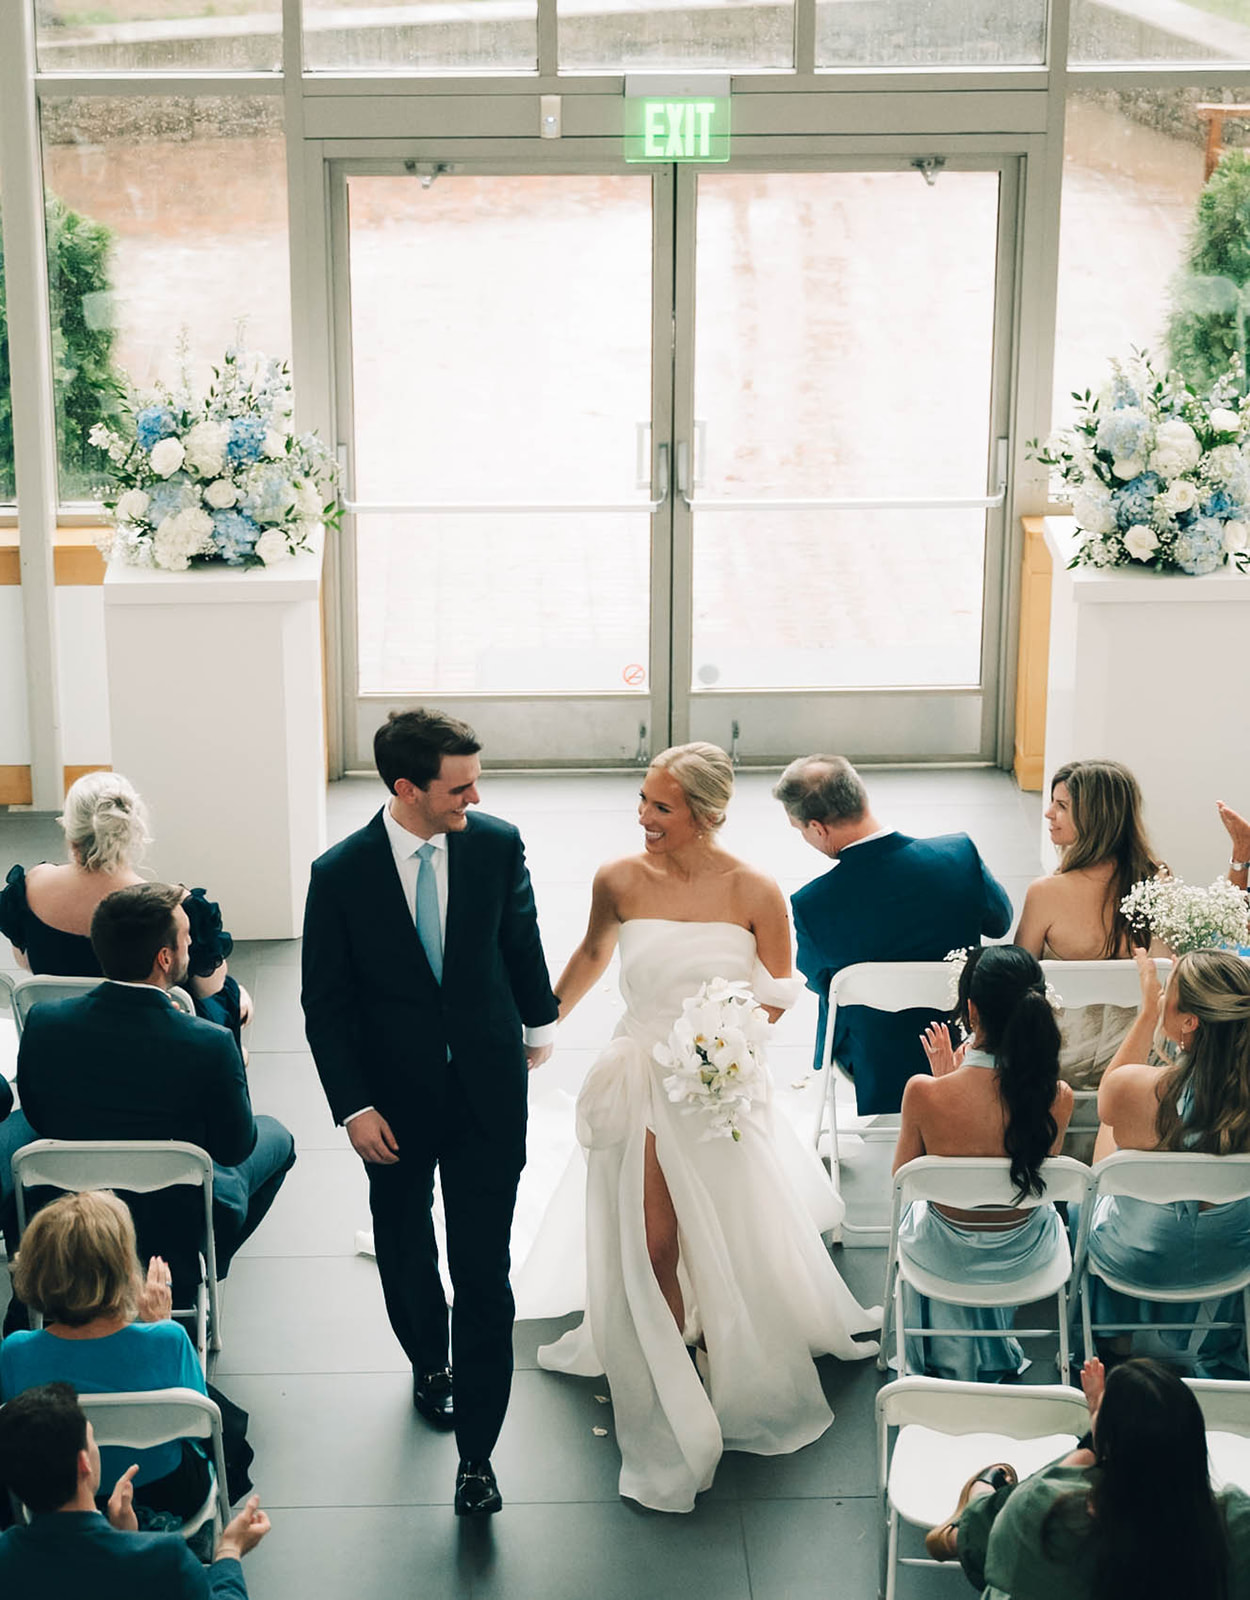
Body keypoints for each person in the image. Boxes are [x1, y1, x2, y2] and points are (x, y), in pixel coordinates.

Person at [536, 742, 881, 1514]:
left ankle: (724, 1332)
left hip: (718, 1079)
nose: (643, 816)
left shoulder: (757, 891)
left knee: (723, 1226)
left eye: (660, 805)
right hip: (642, 1074)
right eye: (643, 800)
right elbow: (592, 953)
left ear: (705, 812)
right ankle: (671, 1358)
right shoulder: (618, 880)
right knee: (656, 1236)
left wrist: (726, 1048)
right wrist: (539, 1026)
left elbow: (779, 993)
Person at [301, 709, 558, 1518]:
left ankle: (477, 1456)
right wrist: (353, 1106)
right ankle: (428, 1361)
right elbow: (325, 1003)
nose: (474, 796)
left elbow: (520, 936)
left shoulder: (495, 843)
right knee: (407, 1245)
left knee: (484, 1270)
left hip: (487, 1091)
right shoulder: (339, 874)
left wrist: (538, 1022)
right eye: (459, 785)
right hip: (394, 1106)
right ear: (406, 788)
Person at [13, 883, 295, 1289]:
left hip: (72, 1199)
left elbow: (39, 1117)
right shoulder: (209, 1043)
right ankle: (199, 1266)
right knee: (277, 1138)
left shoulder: (43, 1022)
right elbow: (234, 1147)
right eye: (186, 937)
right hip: (173, 1211)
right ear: (165, 958)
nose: (192, 942)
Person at [773, 754, 1014, 1115]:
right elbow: (1000, 922)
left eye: (801, 831)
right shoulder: (957, 855)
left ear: (818, 828)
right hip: (965, 1040)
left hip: (875, 1059)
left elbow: (822, 983)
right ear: (861, 796)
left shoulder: (814, 904)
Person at [891, 944, 1073, 1381]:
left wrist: (942, 1083)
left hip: (943, 1256)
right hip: (1023, 1253)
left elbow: (901, 1187)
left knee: (926, 1212)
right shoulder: (1057, 1096)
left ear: (972, 1011)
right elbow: (1034, 1180)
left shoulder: (925, 1093)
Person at [927, 1357, 1250, 1600]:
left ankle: (963, 1530)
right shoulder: (1239, 1523)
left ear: (1108, 1444)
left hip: (1037, 1538)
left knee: (1006, 1524)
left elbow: (1042, 1495)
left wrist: (1092, 1445)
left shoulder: (1047, 1514)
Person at [1082, 945, 1250, 1375]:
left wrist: (1147, 1013)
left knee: (1109, 1138)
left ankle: (1112, 1336)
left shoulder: (1134, 1090)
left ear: (1189, 1021)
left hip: (1137, 1257)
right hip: (1233, 1260)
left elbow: (1108, 1096)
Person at [0, 770, 252, 1048]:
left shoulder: (30, 887)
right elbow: (210, 989)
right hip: (155, 1047)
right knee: (230, 994)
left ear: (70, 830)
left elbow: (26, 962)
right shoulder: (177, 908)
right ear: (133, 832)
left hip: (68, 1041)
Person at [1, 1191, 210, 1522]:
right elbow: (200, 1428)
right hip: (164, 1489)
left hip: (58, 1494)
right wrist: (158, 1326)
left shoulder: (15, 1351)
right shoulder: (169, 1340)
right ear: (125, 1268)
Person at [0, 1383, 269, 1599]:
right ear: (84, 1463)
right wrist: (230, 1550)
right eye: (93, 1439)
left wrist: (125, 1537)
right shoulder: (164, 1558)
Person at [1014, 760, 1163, 1102]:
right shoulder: (1158, 884)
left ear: (1096, 817)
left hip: (1059, 1060)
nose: (1048, 813)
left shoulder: (1045, 893)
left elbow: (1018, 980)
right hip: (1141, 1056)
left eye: (1062, 806)